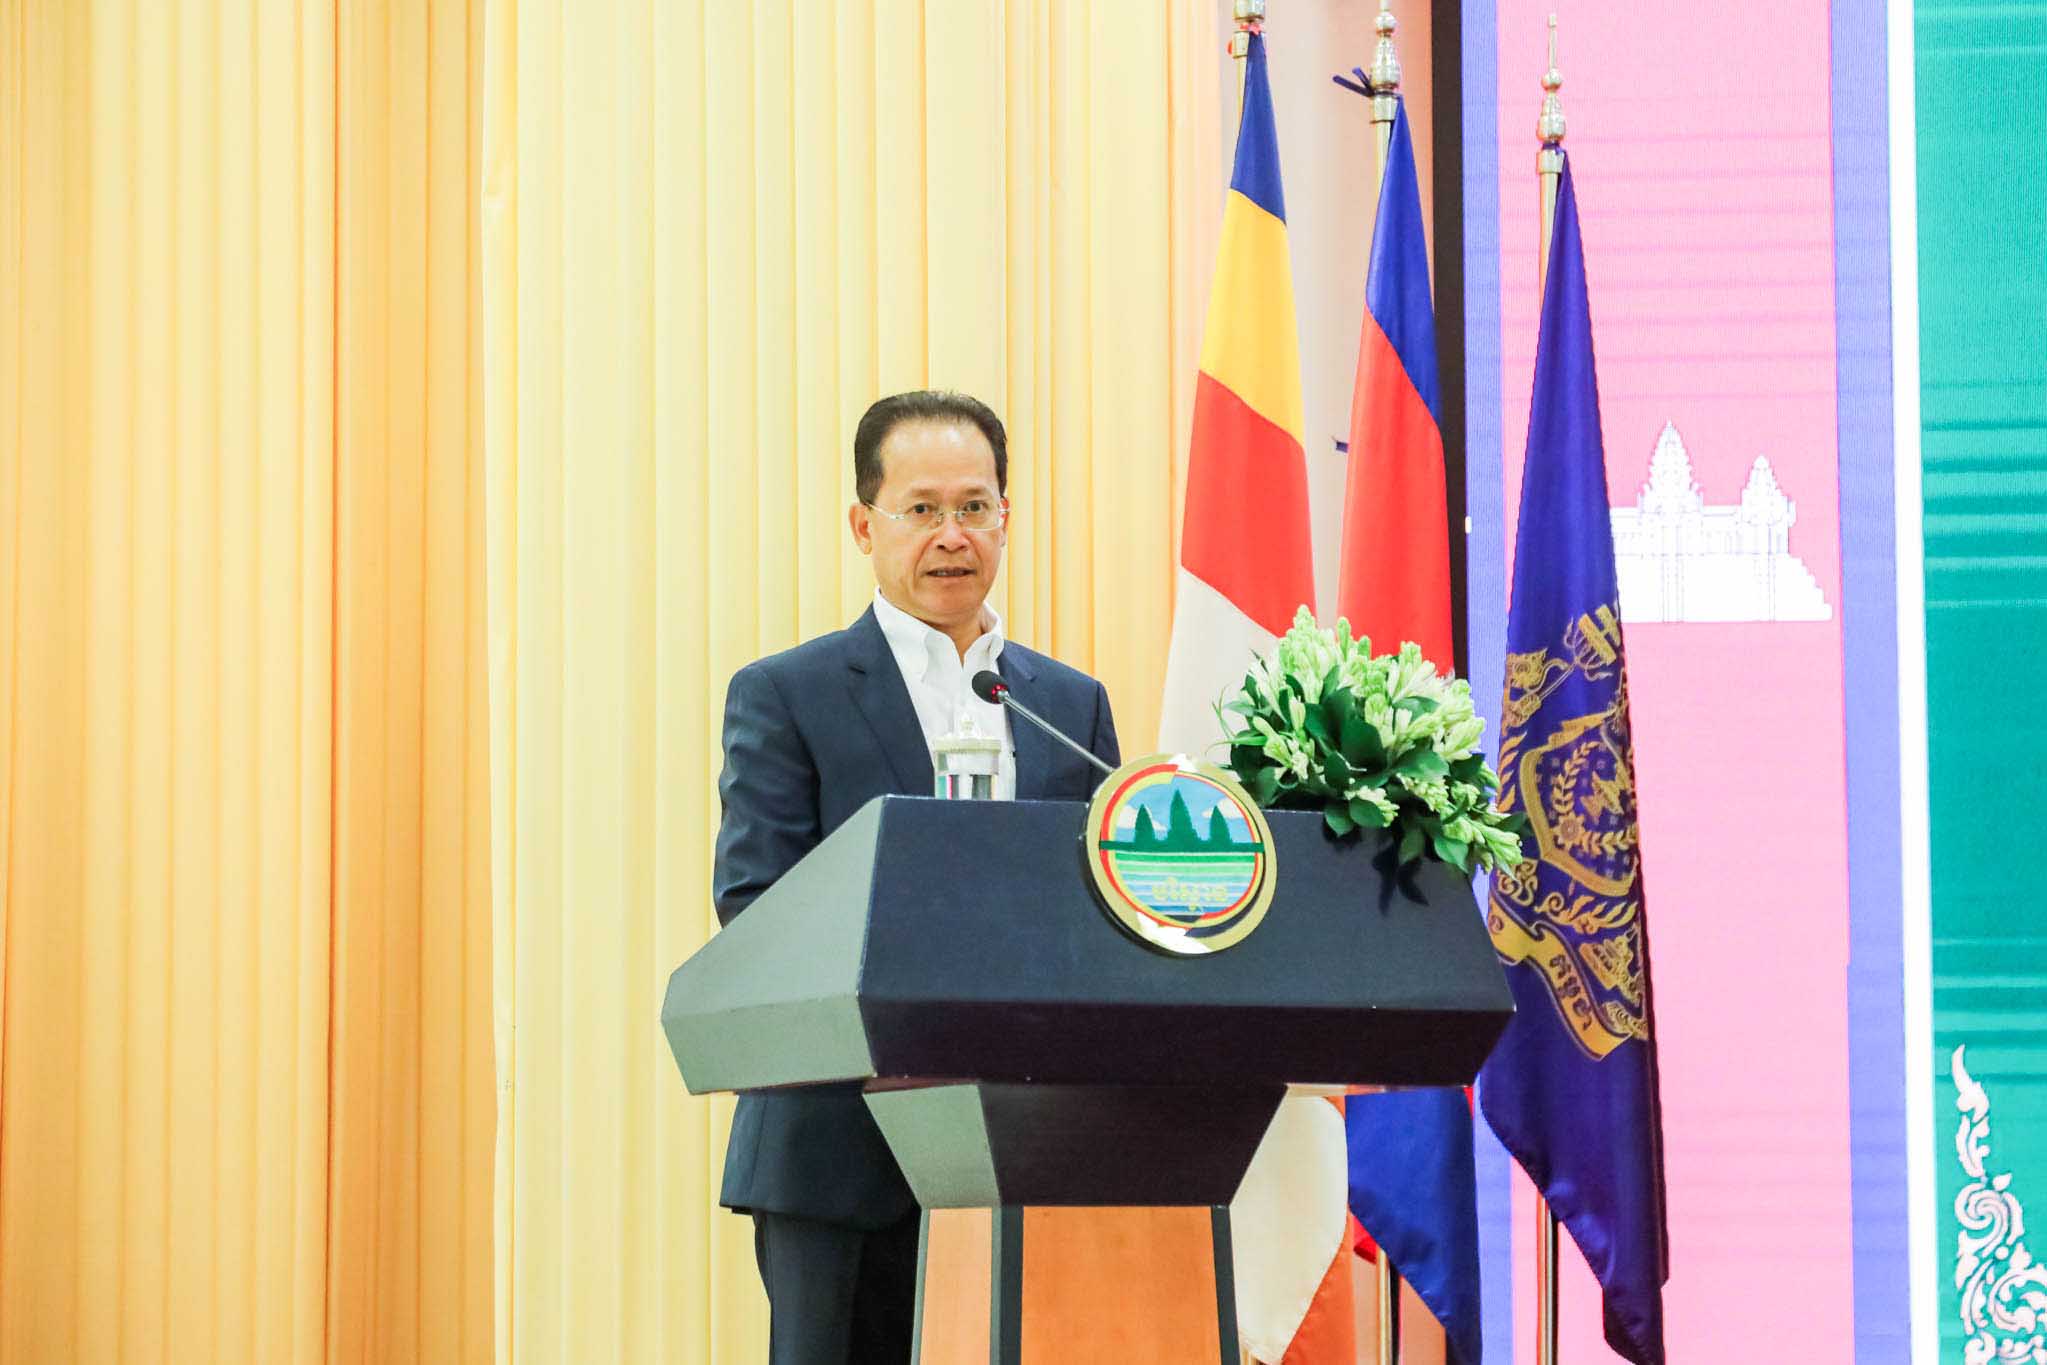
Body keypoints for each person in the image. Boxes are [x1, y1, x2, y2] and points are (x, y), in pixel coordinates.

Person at [712, 390, 1121, 1363]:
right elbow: (755, 905)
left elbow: (1099, 913)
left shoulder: (1068, 704)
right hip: (838, 1152)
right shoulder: (788, 694)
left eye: (974, 507)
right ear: (865, 525)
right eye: (922, 508)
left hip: (1026, 1149)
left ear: (1005, 519)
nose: (952, 535)